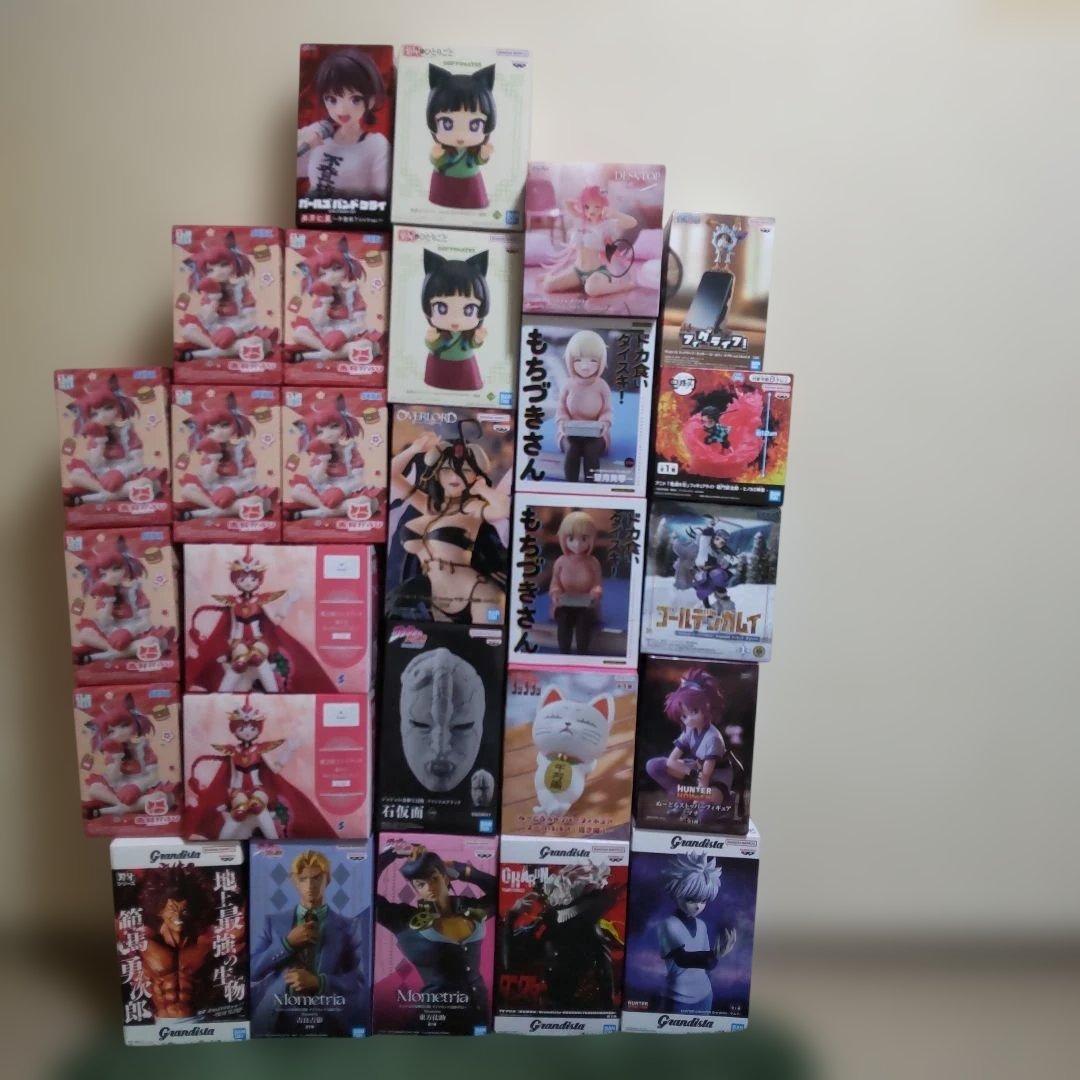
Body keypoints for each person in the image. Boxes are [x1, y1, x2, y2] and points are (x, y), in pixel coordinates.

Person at [375, 841, 497, 1034]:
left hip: (479, 1016)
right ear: (415, 889)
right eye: (421, 884)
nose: (429, 887)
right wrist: (392, 853)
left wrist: (463, 870)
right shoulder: (404, 920)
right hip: (435, 1019)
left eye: (434, 878)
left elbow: (500, 892)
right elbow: (366, 894)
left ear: (446, 878)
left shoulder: (471, 909)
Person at [250, 849, 366, 1035]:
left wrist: (319, 982)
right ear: (294, 882)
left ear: (328, 879)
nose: (310, 885)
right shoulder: (273, 922)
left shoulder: (348, 927)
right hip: (275, 1019)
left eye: (316, 878)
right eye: (303, 879)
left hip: (327, 1021)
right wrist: (287, 944)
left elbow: (358, 981)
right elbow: (252, 971)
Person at [297, 48, 390, 204]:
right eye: (332, 99)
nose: (341, 110)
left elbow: (384, 196)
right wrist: (303, 143)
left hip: (354, 216)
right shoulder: (317, 133)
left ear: (371, 101)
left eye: (355, 99)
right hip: (313, 215)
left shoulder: (376, 146)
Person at [657, 853, 736, 1013]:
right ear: (676, 893)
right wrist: (715, 954)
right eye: (691, 899)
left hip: (705, 995)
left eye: (703, 900)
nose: (698, 906)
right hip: (678, 998)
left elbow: (708, 965)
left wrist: (715, 956)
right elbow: (683, 959)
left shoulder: (702, 925)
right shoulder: (668, 925)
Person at [556, 329, 613, 483]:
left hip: (597, 433)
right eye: (578, 360)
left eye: (593, 360)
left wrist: (604, 423)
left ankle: (591, 487)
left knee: (591, 450)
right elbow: (561, 409)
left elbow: (607, 410)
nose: (585, 366)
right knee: (572, 449)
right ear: (570, 360)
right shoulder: (567, 385)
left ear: (601, 361)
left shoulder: (602, 386)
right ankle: (571, 487)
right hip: (569, 432)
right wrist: (562, 423)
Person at [548, 510, 602, 654]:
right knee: (564, 619)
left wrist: (595, 592)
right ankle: (564, 653)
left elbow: (597, 584)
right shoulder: (560, 562)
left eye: (584, 539)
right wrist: (556, 593)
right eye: (571, 538)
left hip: (586, 605)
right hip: (564, 604)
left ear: (591, 539)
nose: (577, 544)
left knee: (583, 620)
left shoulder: (593, 562)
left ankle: (582, 653)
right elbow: (555, 583)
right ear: (563, 539)